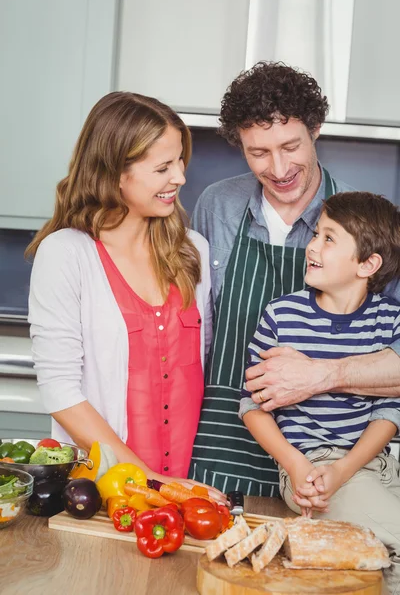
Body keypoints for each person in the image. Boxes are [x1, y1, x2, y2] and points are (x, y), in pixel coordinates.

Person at [189, 61, 400, 496]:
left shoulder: (363, 223)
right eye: (259, 152)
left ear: (316, 130)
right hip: (221, 446)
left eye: (291, 146)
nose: (279, 167)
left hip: (332, 464)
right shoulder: (216, 207)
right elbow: (200, 329)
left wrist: (321, 375)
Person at [26, 91, 222, 499]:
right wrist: (148, 478)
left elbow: (201, 369)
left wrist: (174, 486)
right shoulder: (66, 254)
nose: (180, 177)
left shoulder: (193, 251)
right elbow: (61, 393)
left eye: (180, 161)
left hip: (188, 487)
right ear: (115, 172)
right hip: (101, 489)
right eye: (163, 167)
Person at [240, 191, 400, 592]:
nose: (311, 246)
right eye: (316, 234)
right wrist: (295, 466)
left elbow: (390, 411)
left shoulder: (390, 321)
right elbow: (252, 406)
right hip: (313, 467)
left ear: (368, 264)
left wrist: (348, 468)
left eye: (329, 238)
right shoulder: (282, 315)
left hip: (375, 465)